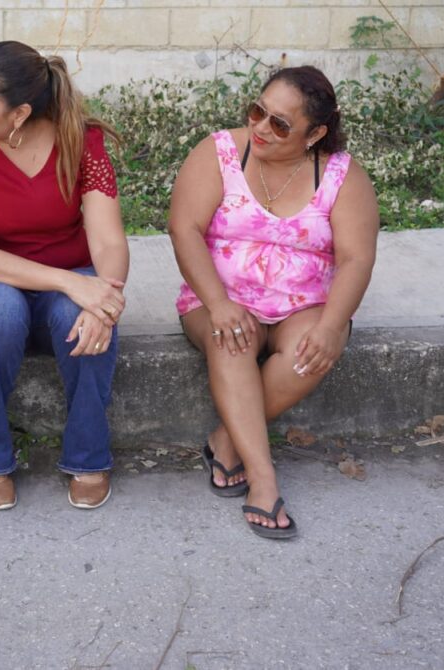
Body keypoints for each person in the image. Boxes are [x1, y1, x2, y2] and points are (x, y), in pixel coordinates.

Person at [168, 66, 378, 539]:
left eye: (280, 124)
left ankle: (227, 438)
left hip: (304, 304)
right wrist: (218, 303)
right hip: (217, 299)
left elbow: (357, 258)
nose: (261, 127)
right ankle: (263, 480)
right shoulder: (221, 152)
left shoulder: (341, 175)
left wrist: (332, 326)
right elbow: (183, 229)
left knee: (312, 350)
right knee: (232, 339)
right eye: (257, 111)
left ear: (315, 133)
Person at [0, 41, 129, 511]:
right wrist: (71, 281)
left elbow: (108, 242)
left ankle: (89, 454)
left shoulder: (80, 140)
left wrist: (105, 297)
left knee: (83, 314)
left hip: (63, 291)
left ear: (19, 113)